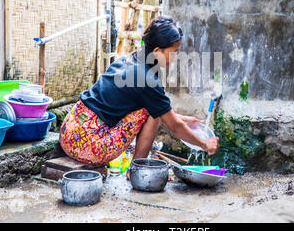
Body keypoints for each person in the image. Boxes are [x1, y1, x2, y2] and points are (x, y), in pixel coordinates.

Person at [59, 15, 220, 175]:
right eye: (174, 52)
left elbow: (161, 111)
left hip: (68, 134)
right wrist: (204, 143)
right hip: (87, 147)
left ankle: (136, 166)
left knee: (153, 107)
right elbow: (174, 126)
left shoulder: (126, 61)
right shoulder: (148, 79)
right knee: (152, 112)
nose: (176, 56)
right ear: (157, 51)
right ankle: (136, 170)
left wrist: (184, 119)